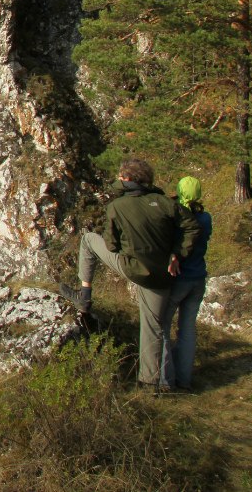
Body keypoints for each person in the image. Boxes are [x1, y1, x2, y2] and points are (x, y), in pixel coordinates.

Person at [59, 158, 201, 388]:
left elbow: (112, 245)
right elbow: (192, 227)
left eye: (121, 178)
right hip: (162, 274)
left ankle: (84, 294)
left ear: (129, 180)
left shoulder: (117, 207)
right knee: (154, 327)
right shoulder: (164, 202)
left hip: (132, 267)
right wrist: (177, 254)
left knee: (87, 240)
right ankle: (155, 382)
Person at [165, 176, 211, 390]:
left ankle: (165, 377)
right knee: (187, 329)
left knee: (162, 327)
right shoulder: (206, 218)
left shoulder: (177, 219)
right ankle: (184, 379)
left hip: (178, 279)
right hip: (198, 278)